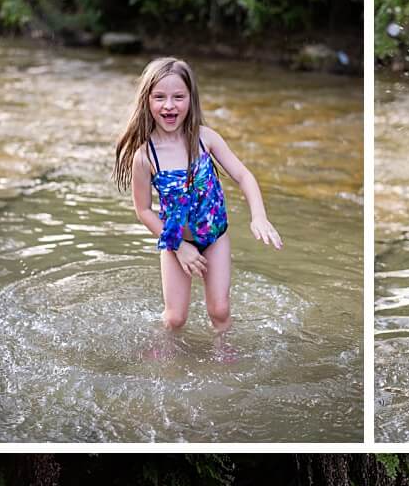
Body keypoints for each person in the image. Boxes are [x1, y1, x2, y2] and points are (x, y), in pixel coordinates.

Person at [113, 58, 283, 332]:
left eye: (178, 97)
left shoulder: (206, 139)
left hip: (214, 238)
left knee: (219, 310)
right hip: (176, 242)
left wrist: (259, 217)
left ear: (191, 100)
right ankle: (168, 361)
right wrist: (179, 246)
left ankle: (222, 353)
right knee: (175, 318)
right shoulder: (145, 157)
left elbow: (244, 176)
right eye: (160, 97)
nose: (169, 105)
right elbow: (143, 210)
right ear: (147, 101)